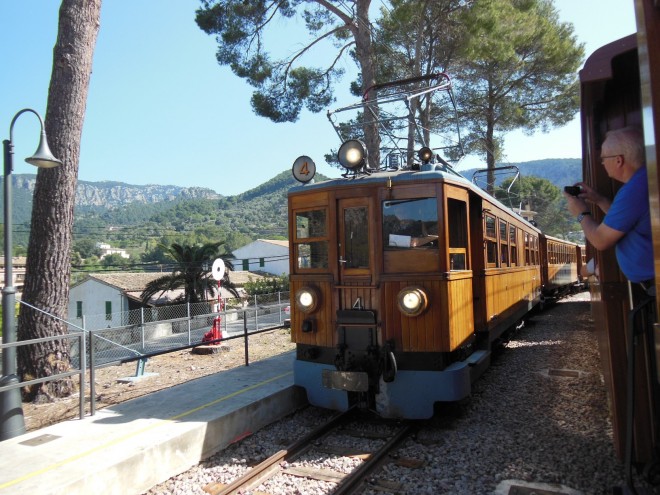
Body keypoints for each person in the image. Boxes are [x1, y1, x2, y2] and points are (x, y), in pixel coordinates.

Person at [564, 126, 654, 289]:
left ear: (619, 160)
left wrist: (581, 213)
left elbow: (600, 240)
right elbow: (624, 221)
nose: (603, 163)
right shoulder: (642, 182)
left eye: (604, 158)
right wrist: (598, 199)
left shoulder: (633, 190)